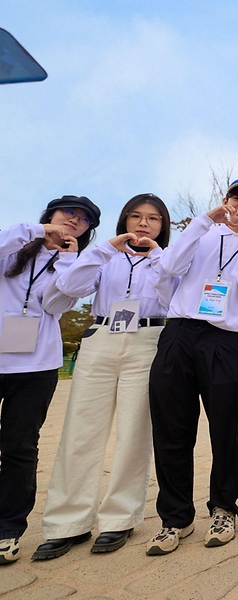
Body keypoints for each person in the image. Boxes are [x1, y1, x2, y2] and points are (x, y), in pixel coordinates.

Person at [34, 194, 174, 560]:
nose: (143, 223)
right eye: (135, 216)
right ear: (123, 221)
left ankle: (119, 519)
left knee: (133, 432)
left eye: (153, 218)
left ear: (163, 226)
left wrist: (157, 255)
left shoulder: (167, 260)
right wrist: (103, 250)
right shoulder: (103, 257)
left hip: (147, 341)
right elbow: (70, 286)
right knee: (81, 430)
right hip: (101, 339)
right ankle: (68, 523)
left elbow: (173, 298)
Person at [146, 178, 238, 555]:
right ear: (225, 200)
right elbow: (169, 264)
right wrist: (204, 220)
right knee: (171, 427)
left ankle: (224, 508)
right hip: (179, 332)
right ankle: (175, 517)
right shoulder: (201, 232)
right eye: (237, 197)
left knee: (224, 426)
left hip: (223, 337)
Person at [0, 195, 99, 564]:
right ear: (50, 215)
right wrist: (37, 232)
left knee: (19, 448)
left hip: (35, 367)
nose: (74, 221)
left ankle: (8, 528)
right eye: (67, 213)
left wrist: (69, 262)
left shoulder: (74, 264)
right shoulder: (13, 249)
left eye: (84, 220)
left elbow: (56, 305)